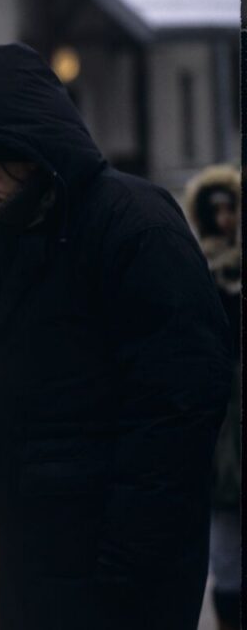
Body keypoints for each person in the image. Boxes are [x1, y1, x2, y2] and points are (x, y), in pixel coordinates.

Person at [0, 43, 231, 629]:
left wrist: (129, 570)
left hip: (113, 575)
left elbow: (177, 412)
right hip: (43, 556)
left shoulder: (136, 226)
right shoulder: (16, 234)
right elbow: (13, 388)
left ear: (27, 148)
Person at [184, 163, 241, 630]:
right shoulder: (197, 272)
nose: (226, 220)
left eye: (232, 209)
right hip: (221, 428)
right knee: (224, 546)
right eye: (216, 210)